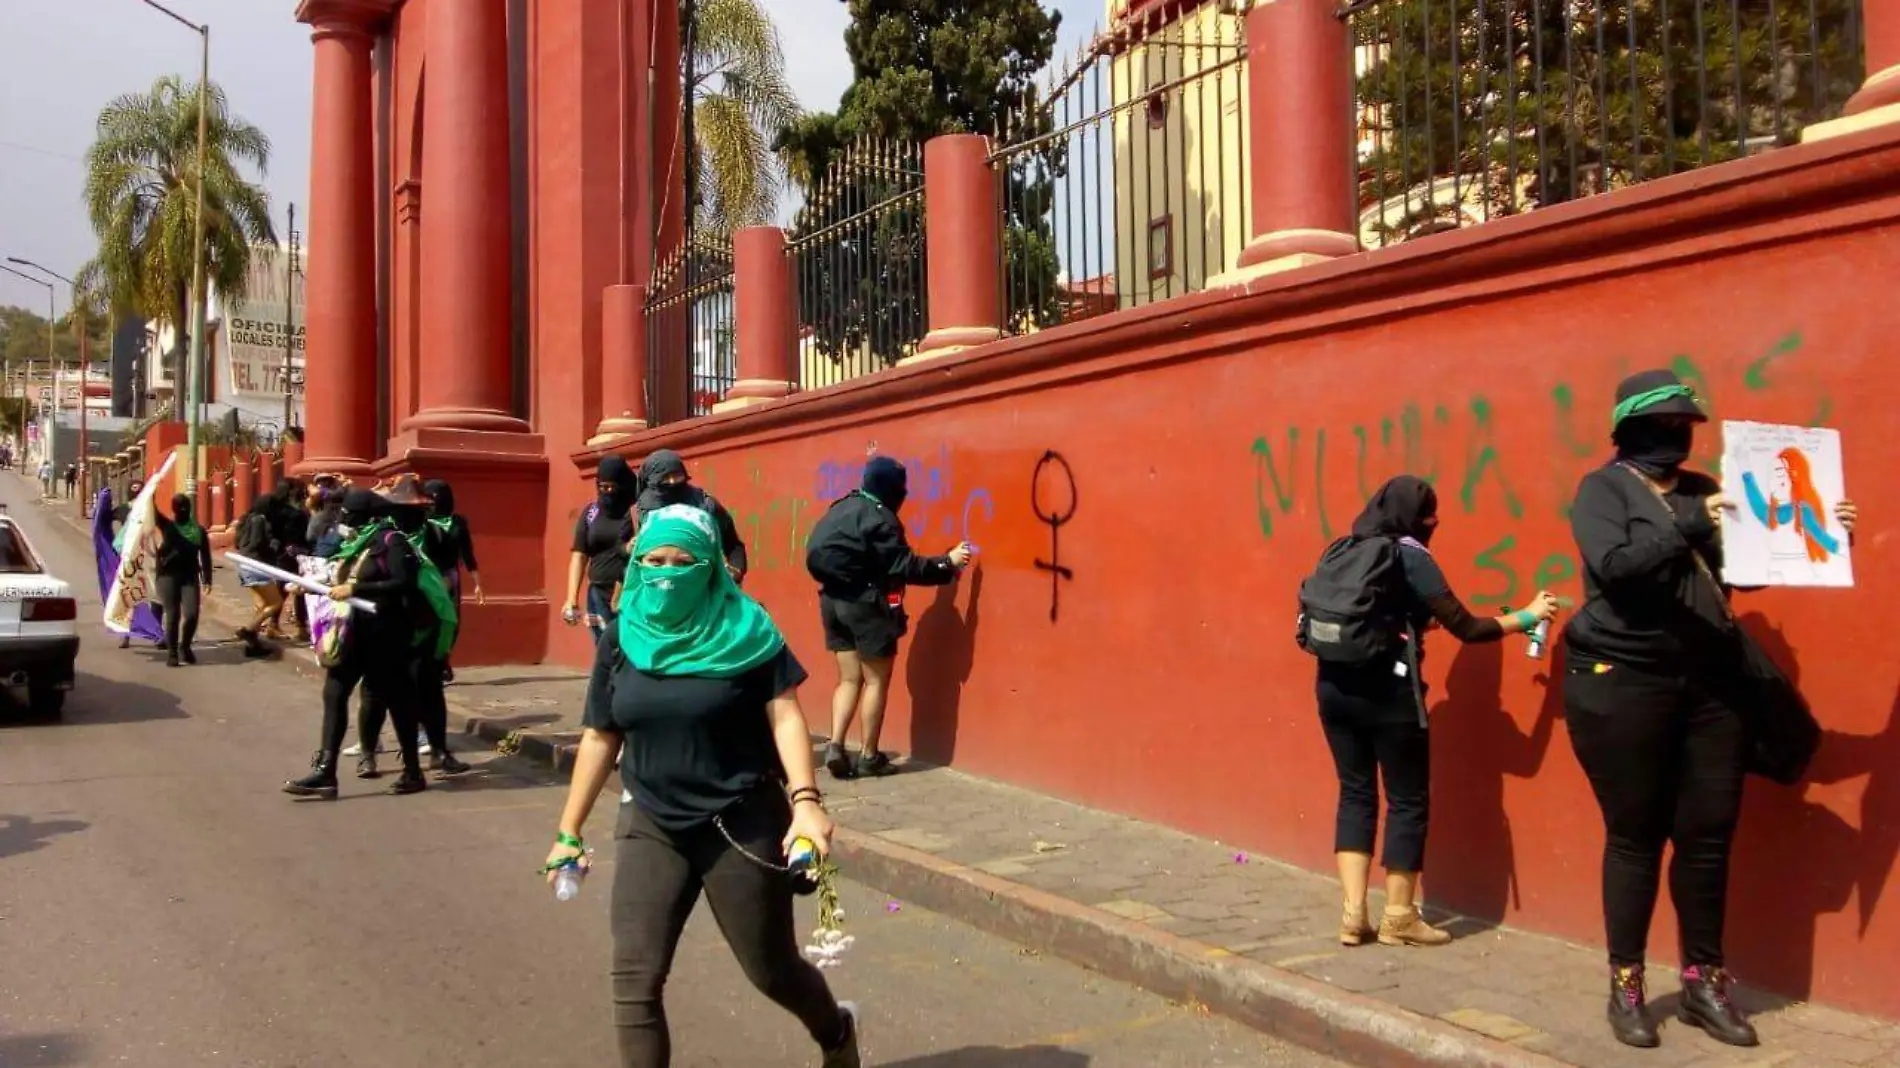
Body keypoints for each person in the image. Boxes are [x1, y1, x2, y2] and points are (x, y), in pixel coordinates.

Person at [1560, 369, 1859, 1049]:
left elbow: (1747, 565)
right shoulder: (1602, 490)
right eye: (1662, 422)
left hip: (1711, 688)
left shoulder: (1702, 490)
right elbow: (1617, 564)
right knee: (1635, 835)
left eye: (1684, 423)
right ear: (1629, 427)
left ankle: (1702, 980)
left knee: (1708, 835)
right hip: (1622, 682)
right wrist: (1698, 520)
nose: (1675, 434)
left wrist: (1818, 527)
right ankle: (1627, 983)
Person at [544, 505, 861, 1068]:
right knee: (635, 979)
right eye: (654, 560)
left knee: (771, 969)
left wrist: (806, 804)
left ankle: (836, 1033)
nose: (666, 572)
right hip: (651, 821)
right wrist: (568, 829)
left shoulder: (747, 629)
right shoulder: (622, 637)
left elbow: (785, 716)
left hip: (738, 820)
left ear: (710, 565)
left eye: (682, 561)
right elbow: (600, 735)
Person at [1301, 476, 1558, 950]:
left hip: (1333, 690)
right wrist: (1527, 616)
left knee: (1355, 794)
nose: (1432, 526)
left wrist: (1416, 619)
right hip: (1390, 696)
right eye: (1430, 518)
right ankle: (1399, 917)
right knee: (1407, 800)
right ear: (1418, 518)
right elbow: (1469, 627)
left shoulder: (1343, 547)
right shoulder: (1410, 554)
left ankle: (1353, 915)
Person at [805, 456, 971, 779]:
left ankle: (836, 745)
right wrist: (946, 563)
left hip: (832, 601)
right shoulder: (881, 520)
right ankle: (869, 756)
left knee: (849, 679)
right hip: (866, 605)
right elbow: (904, 567)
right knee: (876, 680)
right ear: (891, 488)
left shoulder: (841, 507)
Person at [283, 486, 431, 799]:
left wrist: (356, 589)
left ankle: (413, 771)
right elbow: (342, 580)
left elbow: (403, 583)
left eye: (349, 514)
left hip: (387, 636)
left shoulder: (392, 541)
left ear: (367, 516)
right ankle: (325, 771)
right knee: (334, 694)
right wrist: (313, 586)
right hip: (353, 633)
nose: (343, 518)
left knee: (398, 702)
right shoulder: (356, 545)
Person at [351, 476, 470, 779]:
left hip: (423, 623)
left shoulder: (437, 536)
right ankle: (368, 754)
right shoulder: (378, 538)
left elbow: (447, 582)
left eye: (421, 508)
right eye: (409, 509)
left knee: (429, 688)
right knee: (374, 692)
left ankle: (439, 752)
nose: (417, 514)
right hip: (384, 623)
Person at [632, 449, 749, 582]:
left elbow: (733, 544)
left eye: (677, 475)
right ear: (651, 480)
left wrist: (736, 572)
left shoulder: (706, 506)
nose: (672, 482)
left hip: (702, 586)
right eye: (664, 478)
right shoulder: (642, 510)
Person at [565, 455, 639, 642]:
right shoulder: (591, 512)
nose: (606, 492)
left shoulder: (636, 512)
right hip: (597, 596)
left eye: (612, 487)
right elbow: (579, 555)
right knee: (604, 650)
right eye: (602, 487)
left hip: (629, 594)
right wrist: (571, 598)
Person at [422, 478, 482, 682]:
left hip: (450, 576)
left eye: (436, 496)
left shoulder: (458, 522)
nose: (433, 500)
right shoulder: (422, 520)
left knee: (451, 621)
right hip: (427, 575)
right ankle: (429, 662)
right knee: (429, 618)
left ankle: (443, 658)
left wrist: (477, 584)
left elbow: (467, 553)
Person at [153, 493, 214, 667]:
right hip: (168, 575)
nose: (182, 510)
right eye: (179, 507)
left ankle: (185, 647)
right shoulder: (168, 526)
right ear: (173, 509)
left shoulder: (198, 531)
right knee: (173, 615)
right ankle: (172, 653)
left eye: (185, 506)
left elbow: (206, 556)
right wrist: (150, 492)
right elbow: (154, 513)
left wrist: (207, 580)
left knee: (192, 614)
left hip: (189, 576)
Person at [232, 495, 285, 658]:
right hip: (256, 565)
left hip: (244, 564)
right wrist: (273, 546)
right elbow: (257, 543)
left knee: (262, 605)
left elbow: (239, 542)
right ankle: (248, 630)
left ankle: (253, 645)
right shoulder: (260, 520)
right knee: (276, 603)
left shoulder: (246, 519)